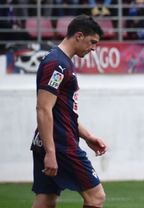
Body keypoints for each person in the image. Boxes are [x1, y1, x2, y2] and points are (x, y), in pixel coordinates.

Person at [31, 15, 107, 208]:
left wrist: (88, 136)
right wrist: (51, 151)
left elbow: (62, 110)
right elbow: (43, 108)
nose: (93, 48)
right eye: (92, 42)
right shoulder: (57, 64)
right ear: (79, 36)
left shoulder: (60, 61)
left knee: (46, 200)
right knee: (96, 197)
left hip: (49, 141)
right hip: (61, 145)